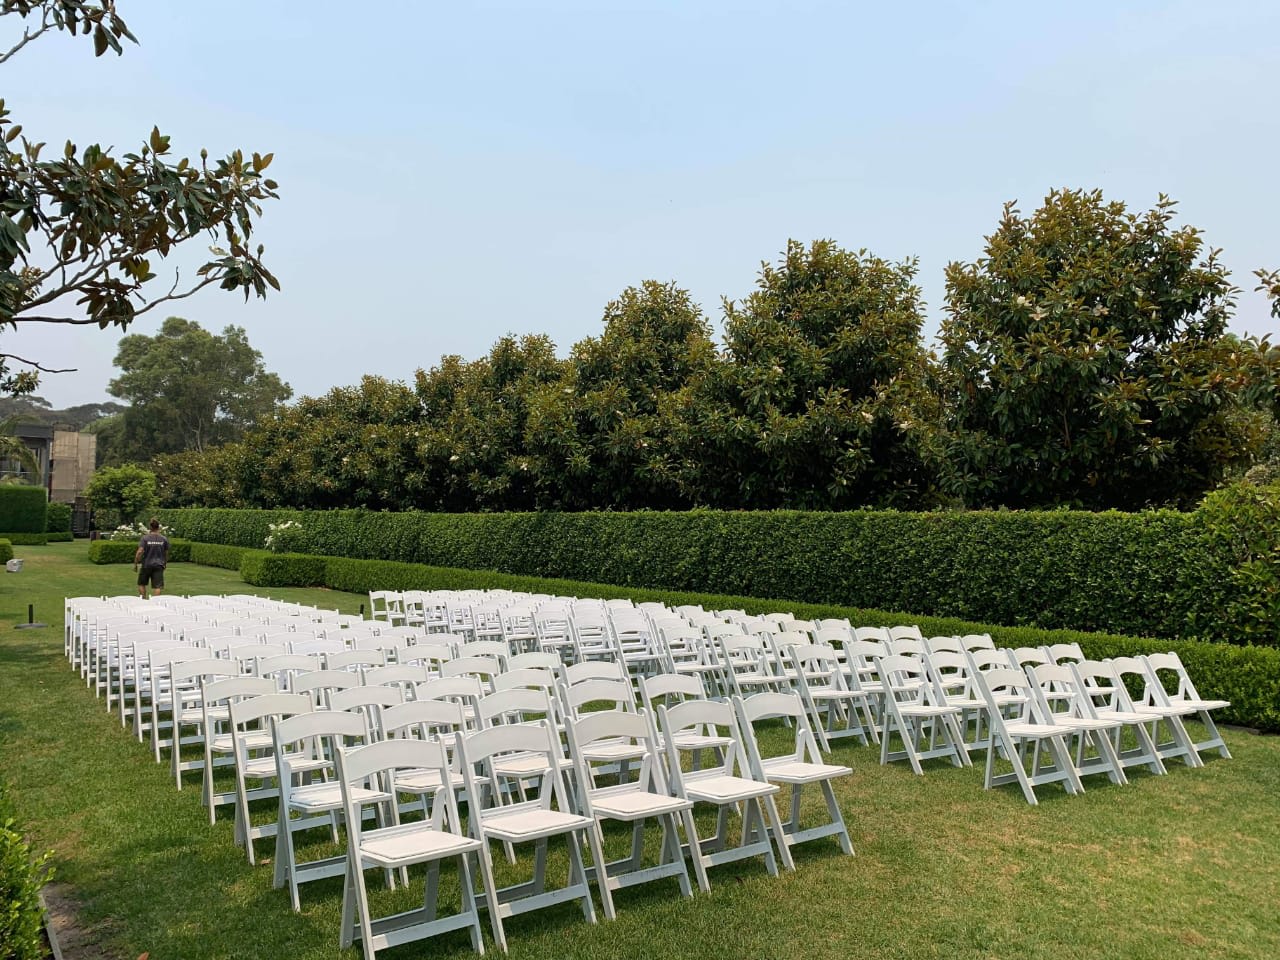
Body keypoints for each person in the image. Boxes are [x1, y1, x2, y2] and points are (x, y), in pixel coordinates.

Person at [134, 518, 170, 599]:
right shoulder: (164, 539)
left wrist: (136, 563)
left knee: (142, 584)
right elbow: (166, 553)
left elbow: (139, 552)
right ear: (158, 527)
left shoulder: (145, 538)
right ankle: (155, 602)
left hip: (146, 565)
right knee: (158, 586)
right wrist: (165, 563)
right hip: (159, 565)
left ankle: (143, 600)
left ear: (150, 527)